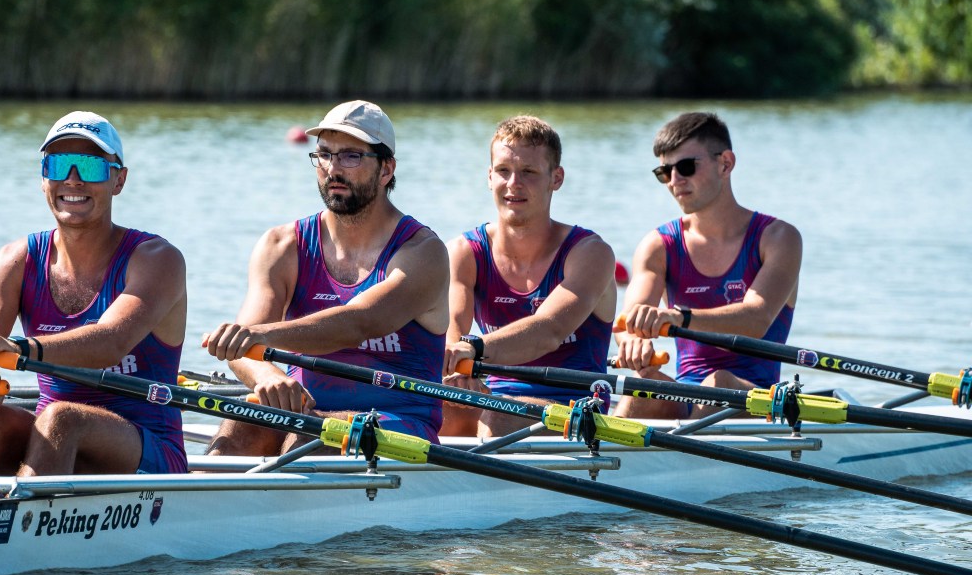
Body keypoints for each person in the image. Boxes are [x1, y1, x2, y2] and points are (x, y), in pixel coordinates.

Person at [0, 111, 188, 518]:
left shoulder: (157, 259)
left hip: (148, 450)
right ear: (44, 178)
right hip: (53, 445)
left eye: (92, 167)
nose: (73, 180)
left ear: (118, 180)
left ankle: (17, 531)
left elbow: (110, 342)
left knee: (62, 418)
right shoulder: (15, 260)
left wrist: (16, 349)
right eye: (59, 165)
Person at [203, 100, 448, 455]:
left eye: (351, 156)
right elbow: (243, 348)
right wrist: (269, 375)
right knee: (240, 424)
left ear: (386, 169)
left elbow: (361, 322)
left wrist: (258, 336)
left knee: (312, 438)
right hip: (307, 412)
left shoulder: (422, 252)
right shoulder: (281, 246)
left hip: (398, 422)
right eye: (324, 155)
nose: (333, 168)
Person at [614, 111, 801, 419]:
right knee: (642, 386)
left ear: (725, 163)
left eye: (686, 167)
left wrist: (678, 317)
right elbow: (628, 322)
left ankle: (682, 442)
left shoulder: (779, 238)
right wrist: (634, 342)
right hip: (687, 396)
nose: (675, 181)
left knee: (719, 382)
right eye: (664, 172)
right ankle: (599, 451)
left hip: (759, 400)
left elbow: (756, 319)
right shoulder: (658, 246)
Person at [441, 115, 617, 437]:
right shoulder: (464, 253)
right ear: (489, 176)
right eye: (503, 171)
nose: (513, 184)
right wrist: (457, 370)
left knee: (497, 419)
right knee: (441, 410)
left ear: (556, 178)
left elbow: (548, 330)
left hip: (577, 407)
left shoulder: (590, 253)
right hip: (498, 400)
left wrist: (473, 349)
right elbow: (453, 330)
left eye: (529, 172)